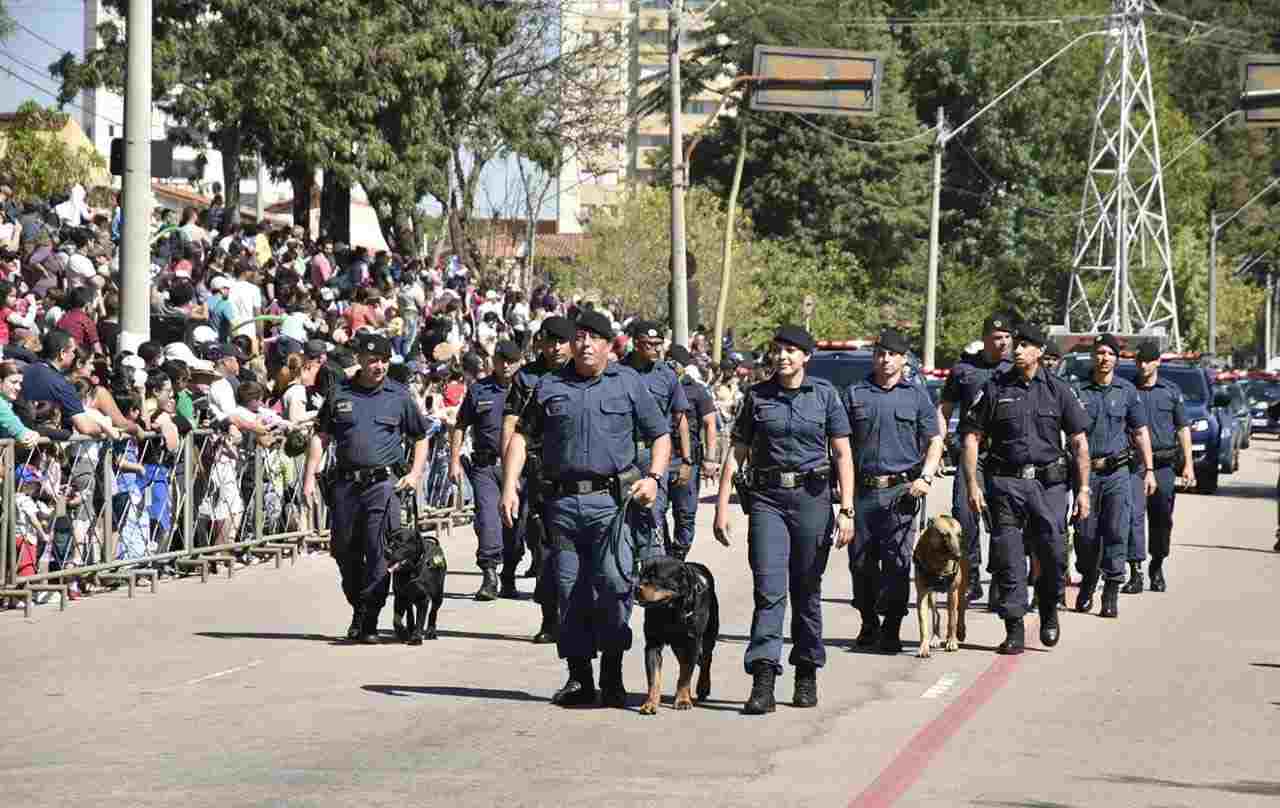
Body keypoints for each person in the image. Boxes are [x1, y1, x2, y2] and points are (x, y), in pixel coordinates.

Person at [499, 310, 670, 708]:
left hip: (613, 505)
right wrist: (509, 487)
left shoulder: (628, 384)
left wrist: (655, 478)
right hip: (562, 505)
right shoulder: (548, 386)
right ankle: (579, 677)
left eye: (595, 338)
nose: (586, 344)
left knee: (613, 585)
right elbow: (522, 439)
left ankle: (612, 671)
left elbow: (660, 436)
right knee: (569, 589)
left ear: (610, 346)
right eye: (580, 337)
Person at [713, 325, 855, 714]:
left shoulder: (825, 395)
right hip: (767, 501)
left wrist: (847, 510)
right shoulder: (757, 396)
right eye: (778, 350)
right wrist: (722, 506)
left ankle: (806, 670)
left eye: (792, 351)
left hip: (813, 499)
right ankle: (763, 678)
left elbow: (843, 454)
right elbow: (737, 453)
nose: (783, 357)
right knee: (769, 589)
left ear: (806, 356)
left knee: (807, 590)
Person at [960, 322, 1091, 655]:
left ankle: (1048, 609)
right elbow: (972, 437)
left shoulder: (1059, 390)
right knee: (1009, 558)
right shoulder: (994, 388)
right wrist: (973, 484)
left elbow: (1078, 441)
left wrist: (1084, 489)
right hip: (1005, 484)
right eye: (1015, 344)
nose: (1017, 350)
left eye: (1024, 345)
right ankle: (1014, 626)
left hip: (1049, 486)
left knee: (1053, 555)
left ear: (1040, 352)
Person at [303, 332, 429, 643]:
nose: (379, 366)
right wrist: (309, 474)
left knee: (378, 551)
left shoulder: (399, 395)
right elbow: (321, 435)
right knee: (344, 551)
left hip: (383, 485)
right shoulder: (339, 393)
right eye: (373, 360)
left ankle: (369, 617)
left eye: (384, 360)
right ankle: (359, 606)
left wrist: (414, 473)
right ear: (359, 360)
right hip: (345, 485)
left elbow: (421, 436)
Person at [843, 329, 944, 653]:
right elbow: (839, 444)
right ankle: (869, 620)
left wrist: (926, 477)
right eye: (880, 353)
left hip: (902, 493)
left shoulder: (916, 396)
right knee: (861, 563)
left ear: (902, 358)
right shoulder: (855, 393)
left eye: (891, 354)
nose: (884, 359)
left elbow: (935, 440)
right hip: (863, 492)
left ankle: (892, 626)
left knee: (898, 562)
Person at [501, 315, 575, 644]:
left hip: (579, 469)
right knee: (545, 546)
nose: (557, 347)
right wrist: (510, 475)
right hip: (539, 471)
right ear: (540, 343)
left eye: (563, 340)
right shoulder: (526, 377)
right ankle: (551, 617)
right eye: (551, 340)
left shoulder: (585, 372)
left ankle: (579, 615)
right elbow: (511, 424)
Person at [1073, 334, 1154, 619]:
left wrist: (1150, 470)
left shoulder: (1127, 391)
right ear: (1092, 356)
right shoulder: (1078, 390)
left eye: (1109, 353)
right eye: (1099, 352)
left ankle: (1111, 590)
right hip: (1086, 475)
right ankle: (1088, 579)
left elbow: (1141, 432)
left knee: (1117, 530)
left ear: (1117, 359)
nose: (1103, 357)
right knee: (1085, 536)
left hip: (1118, 472)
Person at [936, 313, 1012, 604]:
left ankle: (998, 578)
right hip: (972, 454)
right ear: (985, 339)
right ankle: (970, 575)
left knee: (1003, 519)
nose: (1003, 343)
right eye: (997, 338)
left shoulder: (1015, 368)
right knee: (964, 514)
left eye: (1007, 337)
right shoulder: (964, 370)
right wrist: (940, 444)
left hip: (1005, 455)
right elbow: (944, 410)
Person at [452, 339, 523, 601]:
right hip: (485, 466)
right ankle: (489, 575)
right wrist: (454, 460)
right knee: (488, 519)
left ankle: (509, 574)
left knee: (516, 527)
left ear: (519, 362)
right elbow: (460, 424)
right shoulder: (479, 390)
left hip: (518, 469)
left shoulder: (528, 388)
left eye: (512, 361)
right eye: (502, 360)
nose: (506, 366)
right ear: (494, 361)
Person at [622, 320, 692, 558]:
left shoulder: (668, 375)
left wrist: (686, 459)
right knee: (621, 514)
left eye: (658, 344)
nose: (655, 349)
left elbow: (680, 417)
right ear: (636, 343)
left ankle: (652, 569)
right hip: (624, 454)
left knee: (654, 514)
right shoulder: (619, 372)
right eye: (648, 344)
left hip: (655, 455)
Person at [1130, 342, 1193, 592]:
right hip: (1134, 466)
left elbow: (1183, 428)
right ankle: (1134, 571)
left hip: (1164, 465)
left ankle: (1156, 565)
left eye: (1147, 360)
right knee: (1133, 518)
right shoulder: (1128, 389)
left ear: (1158, 362)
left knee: (1161, 519)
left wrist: (1188, 464)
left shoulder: (1171, 391)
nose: (1142, 365)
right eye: (1139, 360)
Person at [665, 344, 718, 560]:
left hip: (688, 460)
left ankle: (678, 556)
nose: (669, 365)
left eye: (674, 361)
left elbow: (710, 423)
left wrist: (710, 459)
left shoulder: (696, 390)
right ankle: (663, 554)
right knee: (656, 512)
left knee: (685, 514)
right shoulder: (657, 385)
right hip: (661, 457)